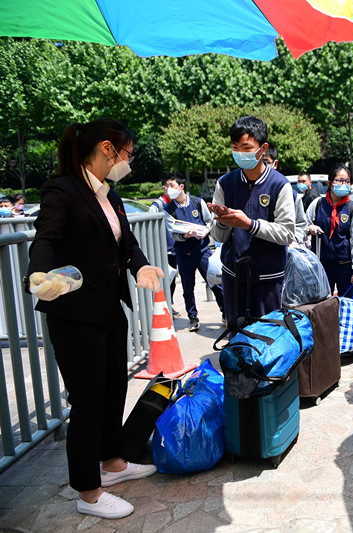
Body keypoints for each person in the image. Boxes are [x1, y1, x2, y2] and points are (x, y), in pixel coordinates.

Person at [26, 118, 165, 519]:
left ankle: (113, 462)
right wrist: (40, 275)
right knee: (87, 401)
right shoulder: (62, 190)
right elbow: (46, 240)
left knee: (110, 391)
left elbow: (129, 245)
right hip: (74, 315)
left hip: (108, 310)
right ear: (108, 149)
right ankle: (87, 491)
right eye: (128, 154)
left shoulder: (113, 196)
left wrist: (140, 267)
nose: (128, 162)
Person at [209, 116, 296, 323]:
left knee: (268, 339)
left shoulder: (279, 185)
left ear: (263, 148)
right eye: (235, 147)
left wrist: (249, 224)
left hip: (268, 278)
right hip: (234, 275)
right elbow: (217, 234)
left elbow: (286, 233)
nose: (240, 153)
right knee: (237, 337)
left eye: (246, 147)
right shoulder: (225, 183)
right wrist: (222, 221)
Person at [160, 174, 225, 332]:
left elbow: (209, 221)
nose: (169, 189)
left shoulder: (197, 202)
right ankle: (193, 317)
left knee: (215, 283)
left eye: (172, 185)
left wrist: (206, 231)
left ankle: (225, 312)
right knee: (188, 288)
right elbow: (172, 232)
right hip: (184, 254)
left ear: (181, 186)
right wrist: (184, 236)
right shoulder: (169, 210)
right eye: (167, 186)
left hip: (202, 250)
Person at [306, 165, 353, 298]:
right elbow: (302, 224)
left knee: (347, 306)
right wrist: (310, 228)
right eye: (340, 180)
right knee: (321, 306)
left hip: (346, 267)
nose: (344, 184)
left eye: (347, 181)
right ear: (330, 183)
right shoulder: (318, 204)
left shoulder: (352, 208)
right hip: (321, 266)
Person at [263, 144, 307, 244]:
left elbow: (301, 225)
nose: (261, 167)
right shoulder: (247, 190)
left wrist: (293, 240)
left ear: (275, 164)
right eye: (258, 162)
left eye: (265, 162)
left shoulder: (291, 194)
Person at [149, 176, 180, 314]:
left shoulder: (175, 204)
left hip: (174, 249)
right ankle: (161, 307)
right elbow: (149, 225)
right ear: (164, 188)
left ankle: (168, 304)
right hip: (163, 250)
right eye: (171, 186)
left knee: (172, 279)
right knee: (163, 280)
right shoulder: (158, 205)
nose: (173, 189)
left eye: (175, 185)